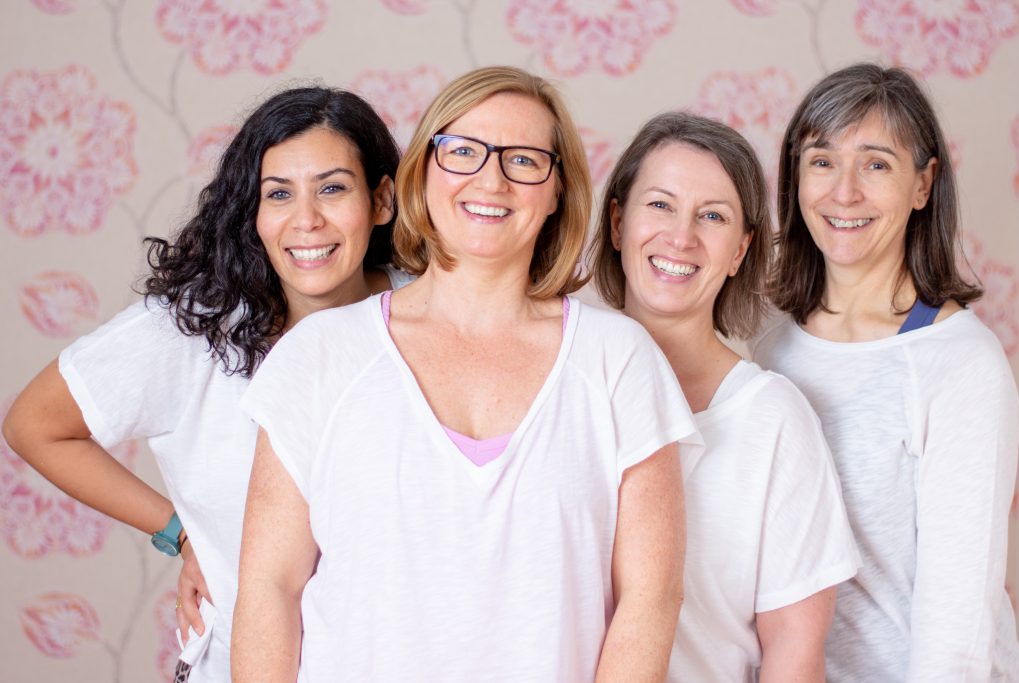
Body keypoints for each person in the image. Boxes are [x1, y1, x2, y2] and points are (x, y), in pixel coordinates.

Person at [231, 65, 700, 683]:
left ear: (558, 189)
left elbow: (651, 597)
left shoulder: (619, 361)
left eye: (525, 160)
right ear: (422, 172)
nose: (492, 179)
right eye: (463, 151)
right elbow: (270, 588)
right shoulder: (321, 356)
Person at [1, 86, 409, 683]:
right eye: (278, 194)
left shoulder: (431, 315)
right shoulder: (194, 329)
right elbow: (34, 425)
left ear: (381, 201)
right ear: (253, 212)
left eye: (332, 187)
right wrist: (181, 534)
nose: (307, 219)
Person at [751, 63, 1019, 680]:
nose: (843, 192)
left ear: (923, 184)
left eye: (875, 164)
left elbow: (959, 627)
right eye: (822, 161)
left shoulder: (959, 365)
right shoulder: (770, 351)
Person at [589, 110, 860, 681]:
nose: (680, 237)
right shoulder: (556, 377)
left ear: (740, 250)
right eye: (659, 204)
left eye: (712, 216)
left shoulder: (773, 419)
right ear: (618, 223)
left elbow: (794, 650)